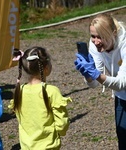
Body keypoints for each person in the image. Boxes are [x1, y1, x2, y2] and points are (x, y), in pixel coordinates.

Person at [74, 13, 126, 150]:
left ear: (113, 33)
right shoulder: (94, 45)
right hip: (122, 96)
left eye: (101, 37)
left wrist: (96, 74)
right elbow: (94, 83)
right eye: (93, 36)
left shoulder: (125, 43)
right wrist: (87, 75)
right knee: (123, 136)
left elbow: (122, 82)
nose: (96, 41)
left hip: (122, 86)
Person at [9, 46, 72, 150]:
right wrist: (60, 132)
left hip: (26, 146)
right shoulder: (52, 91)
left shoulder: (20, 91)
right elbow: (62, 124)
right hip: (48, 146)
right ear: (46, 68)